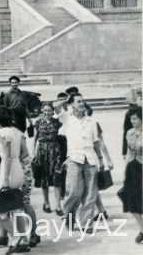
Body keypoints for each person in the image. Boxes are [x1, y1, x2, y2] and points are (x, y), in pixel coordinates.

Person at [58, 93, 104, 229]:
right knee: (73, 192)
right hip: (74, 158)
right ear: (72, 104)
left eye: (83, 101)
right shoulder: (67, 119)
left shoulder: (92, 121)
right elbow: (55, 107)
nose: (82, 104)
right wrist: (66, 100)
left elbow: (96, 142)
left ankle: (86, 223)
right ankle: (68, 215)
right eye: (78, 101)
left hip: (90, 159)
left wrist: (100, 159)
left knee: (91, 193)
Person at [0, 106, 29, 253]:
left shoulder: (0, 133)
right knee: (17, 207)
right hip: (18, 168)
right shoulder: (17, 131)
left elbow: (6, 157)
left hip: (7, 170)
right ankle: (24, 241)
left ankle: (15, 237)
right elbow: (25, 153)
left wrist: (5, 178)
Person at [32, 102, 63, 215]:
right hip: (42, 151)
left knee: (56, 178)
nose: (47, 113)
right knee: (44, 178)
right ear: (42, 111)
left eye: (49, 110)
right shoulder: (38, 122)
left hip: (55, 151)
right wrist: (34, 153)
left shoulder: (57, 122)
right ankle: (46, 203)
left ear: (52, 111)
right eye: (45, 110)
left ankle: (59, 205)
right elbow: (36, 138)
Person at [120, 106, 143, 244]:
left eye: (135, 118)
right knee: (131, 199)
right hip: (132, 168)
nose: (133, 121)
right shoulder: (129, 133)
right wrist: (126, 169)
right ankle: (142, 229)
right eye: (131, 119)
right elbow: (129, 152)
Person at [123, 87, 143, 156]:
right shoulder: (129, 113)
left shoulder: (129, 113)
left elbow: (125, 131)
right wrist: (124, 151)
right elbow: (126, 131)